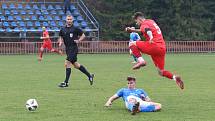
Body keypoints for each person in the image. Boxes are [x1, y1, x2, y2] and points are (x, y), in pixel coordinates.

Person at [125, 12, 184, 90]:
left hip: (154, 45)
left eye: (136, 21)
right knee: (161, 72)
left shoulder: (144, 24)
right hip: (162, 48)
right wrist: (133, 30)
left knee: (132, 44)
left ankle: (141, 61)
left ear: (139, 19)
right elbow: (144, 30)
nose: (137, 23)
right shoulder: (151, 21)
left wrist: (151, 37)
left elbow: (147, 30)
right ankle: (175, 78)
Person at [58, 15, 94, 88]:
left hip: (74, 48)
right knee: (76, 65)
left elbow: (83, 35)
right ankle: (90, 76)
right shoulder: (62, 29)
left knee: (67, 62)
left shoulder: (75, 28)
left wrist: (78, 40)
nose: (69, 20)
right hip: (68, 49)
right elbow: (60, 36)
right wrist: (60, 42)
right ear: (66, 20)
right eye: (68, 19)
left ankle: (66, 82)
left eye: (70, 19)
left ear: (72, 20)